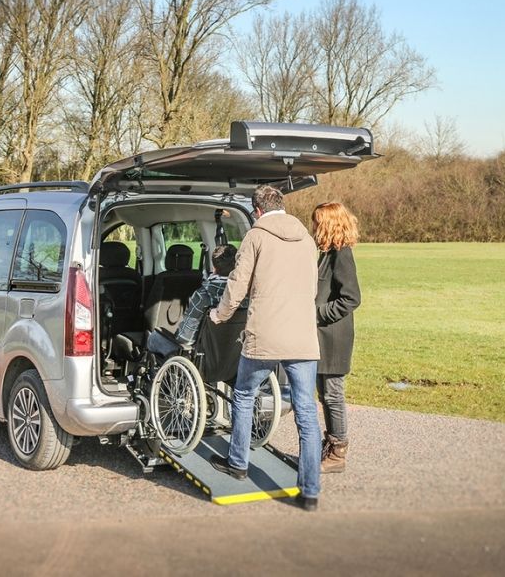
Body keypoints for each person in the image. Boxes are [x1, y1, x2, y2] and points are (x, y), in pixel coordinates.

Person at [208, 185, 323, 512]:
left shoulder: (255, 238)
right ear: (281, 206)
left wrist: (220, 315)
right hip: (303, 337)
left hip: (265, 335)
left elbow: (236, 285)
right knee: (306, 413)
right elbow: (311, 287)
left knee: (244, 395)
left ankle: (238, 464)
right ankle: (311, 491)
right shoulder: (306, 239)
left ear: (257, 210)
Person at [312, 202, 361, 474]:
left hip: (334, 337)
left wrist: (317, 314)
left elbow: (351, 298)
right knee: (325, 395)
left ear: (329, 224)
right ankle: (330, 445)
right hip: (322, 335)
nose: (314, 227)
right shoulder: (325, 253)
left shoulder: (341, 254)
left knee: (333, 395)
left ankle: (338, 452)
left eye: (317, 222)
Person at [145, 244, 238, 357]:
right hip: (233, 357)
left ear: (214, 268)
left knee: (154, 338)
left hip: (200, 357)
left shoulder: (203, 296)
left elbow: (185, 339)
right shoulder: (247, 296)